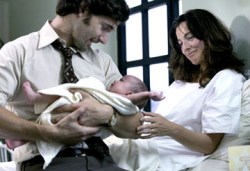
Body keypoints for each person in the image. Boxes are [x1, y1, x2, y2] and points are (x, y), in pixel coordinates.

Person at [0, 0, 144, 170]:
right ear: (83, 9)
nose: (105, 40)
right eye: (104, 27)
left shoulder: (103, 62)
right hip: (46, 162)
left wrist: (107, 114)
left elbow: (136, 126)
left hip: (103, 161)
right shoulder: (17, 52)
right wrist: (46, 133)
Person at [135, 9, 246, 171]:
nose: (185, 48)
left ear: (209, 35)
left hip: (169, 158)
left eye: (189, 37)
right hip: (146, 148)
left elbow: (209, 145)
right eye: (180, 43)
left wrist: (170, 128)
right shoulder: (181, 82)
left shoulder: (226, 79)